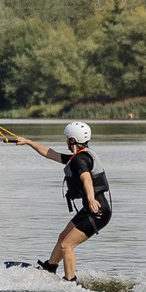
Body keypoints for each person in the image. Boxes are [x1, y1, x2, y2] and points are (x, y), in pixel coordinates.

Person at [13, 120, 108, 282]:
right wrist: (29, 143)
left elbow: (86, 179)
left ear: (72, 140)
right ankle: (50, 268)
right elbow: (51, 154)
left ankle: (69, 283)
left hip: (97, 211)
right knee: (62, 237)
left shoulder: (80, 160)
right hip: (90, 208)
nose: (65, 141)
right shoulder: (80, 156)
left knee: (66, 246)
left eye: (67, 138)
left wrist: (91, 198)